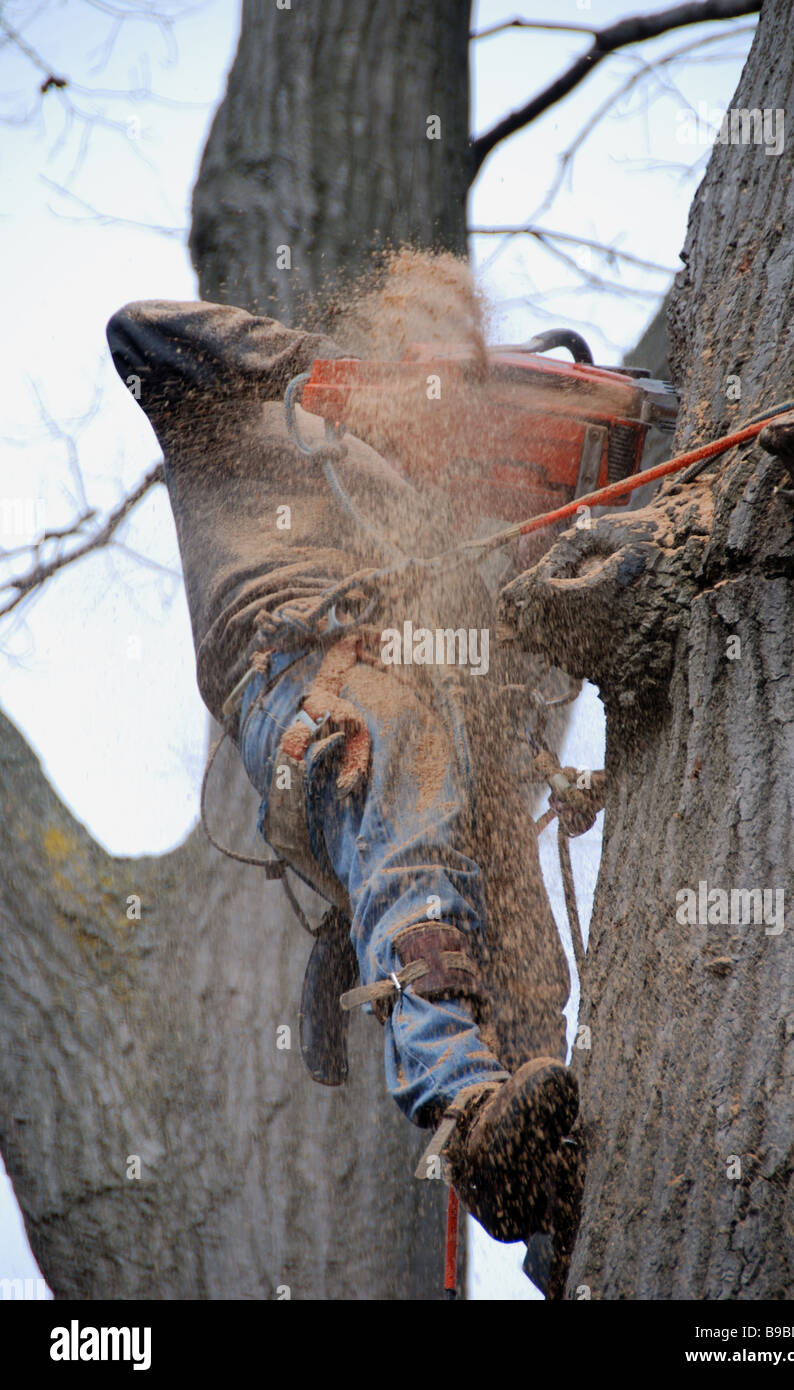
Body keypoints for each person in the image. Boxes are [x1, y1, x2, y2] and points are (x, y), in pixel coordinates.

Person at [107, 297, 583, 1244]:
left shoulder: (411, 481)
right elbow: (136, 330)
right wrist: (342, 374)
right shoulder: (242, 398)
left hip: (421, 698)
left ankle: (550, 1202)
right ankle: (462, 1107)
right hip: (311, 672)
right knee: (414, 836)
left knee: (527, 957)